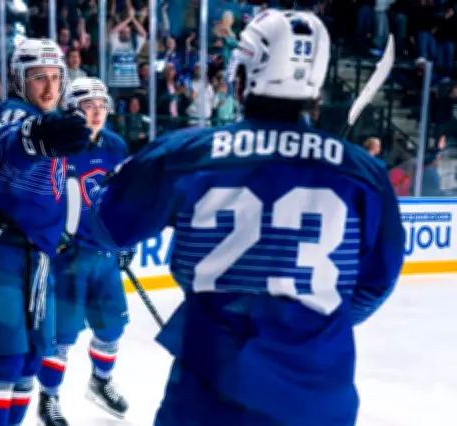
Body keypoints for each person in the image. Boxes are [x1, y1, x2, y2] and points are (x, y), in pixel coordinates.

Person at [89, 10, 406, 426]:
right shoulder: (362, 173)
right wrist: (306, 324)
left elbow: (107, 229)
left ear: (245, 70)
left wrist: (119, 184)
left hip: (210, 394)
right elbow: (376, 281)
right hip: (317, 400)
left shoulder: (186, 154)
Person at [0, 38, 90, 426]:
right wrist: (39, 137)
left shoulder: (57, 129)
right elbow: (17, 143)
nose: (49, 87)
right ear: (18, 81)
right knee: (4, 360)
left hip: (33, 257)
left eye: (56, 77)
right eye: (38, 78)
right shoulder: (10, 115)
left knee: (30, 359)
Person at [35, 78, 132, 426]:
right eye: (88, 106)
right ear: (73, 110)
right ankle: (48, 399)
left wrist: (126, 241)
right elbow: (38, 198)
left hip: (104, 256)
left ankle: (100, 382)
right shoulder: (57, 147)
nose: (96, 113)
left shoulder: (116, 146)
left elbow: (126, 199)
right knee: (63, 335)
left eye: (101, 106)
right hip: (68, 258)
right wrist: (48, 235)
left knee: (112, 328)